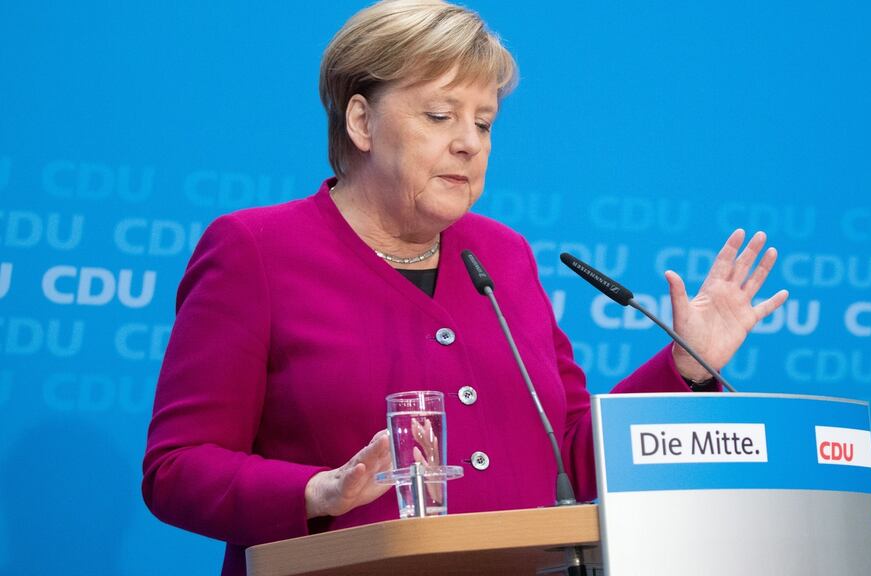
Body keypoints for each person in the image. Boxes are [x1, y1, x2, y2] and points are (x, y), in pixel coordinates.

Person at [141, 1, 789, 574]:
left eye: (483, 123)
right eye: (440, 115)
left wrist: (681, 367)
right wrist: (317, 491)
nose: (467, 145)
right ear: (362, 124)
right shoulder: (257, 250)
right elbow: (176, 468)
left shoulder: (501, 256)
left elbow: (566, 451)